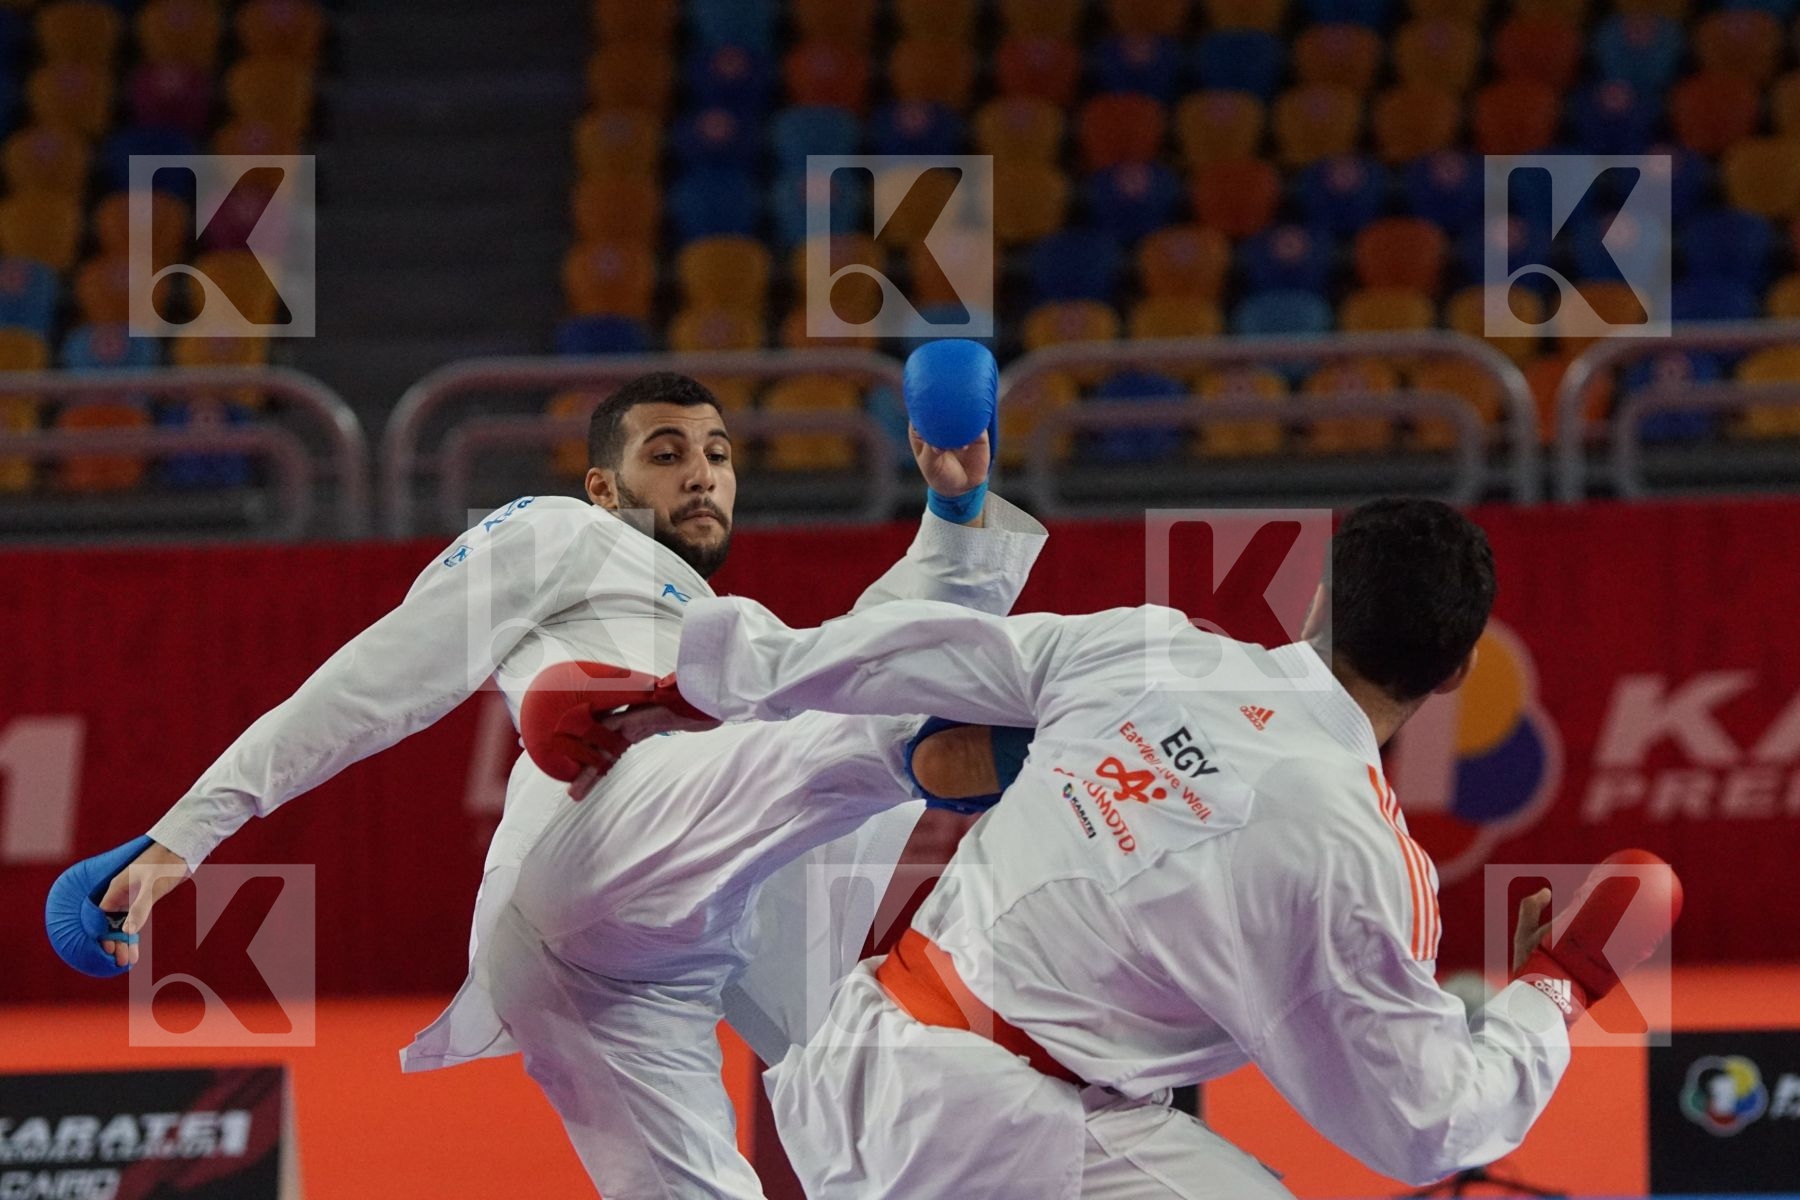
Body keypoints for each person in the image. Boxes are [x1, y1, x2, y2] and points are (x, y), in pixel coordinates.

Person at [69, 347, 1047, 1197]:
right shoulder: (558, 535)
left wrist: (956, 510)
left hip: (718, 900)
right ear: (605, 489)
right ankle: (949, 734)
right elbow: (366, 689)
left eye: (716, 454)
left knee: (873, 1117)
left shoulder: (734, 643)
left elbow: (853, 647)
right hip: (600, 864)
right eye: (665, 455)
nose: (701, 475)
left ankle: (921, 732)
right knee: (811, 716)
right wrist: (181, 837)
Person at [615, 497, 1681, 1198]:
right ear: (1455, 677)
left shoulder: (1147, 646)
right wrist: (1562, 981)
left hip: (856, 1063)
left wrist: (700, 679)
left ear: (1317, 597)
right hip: (994, 1139)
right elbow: (1427, 1126)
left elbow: (914, 653)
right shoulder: (1360, 855)